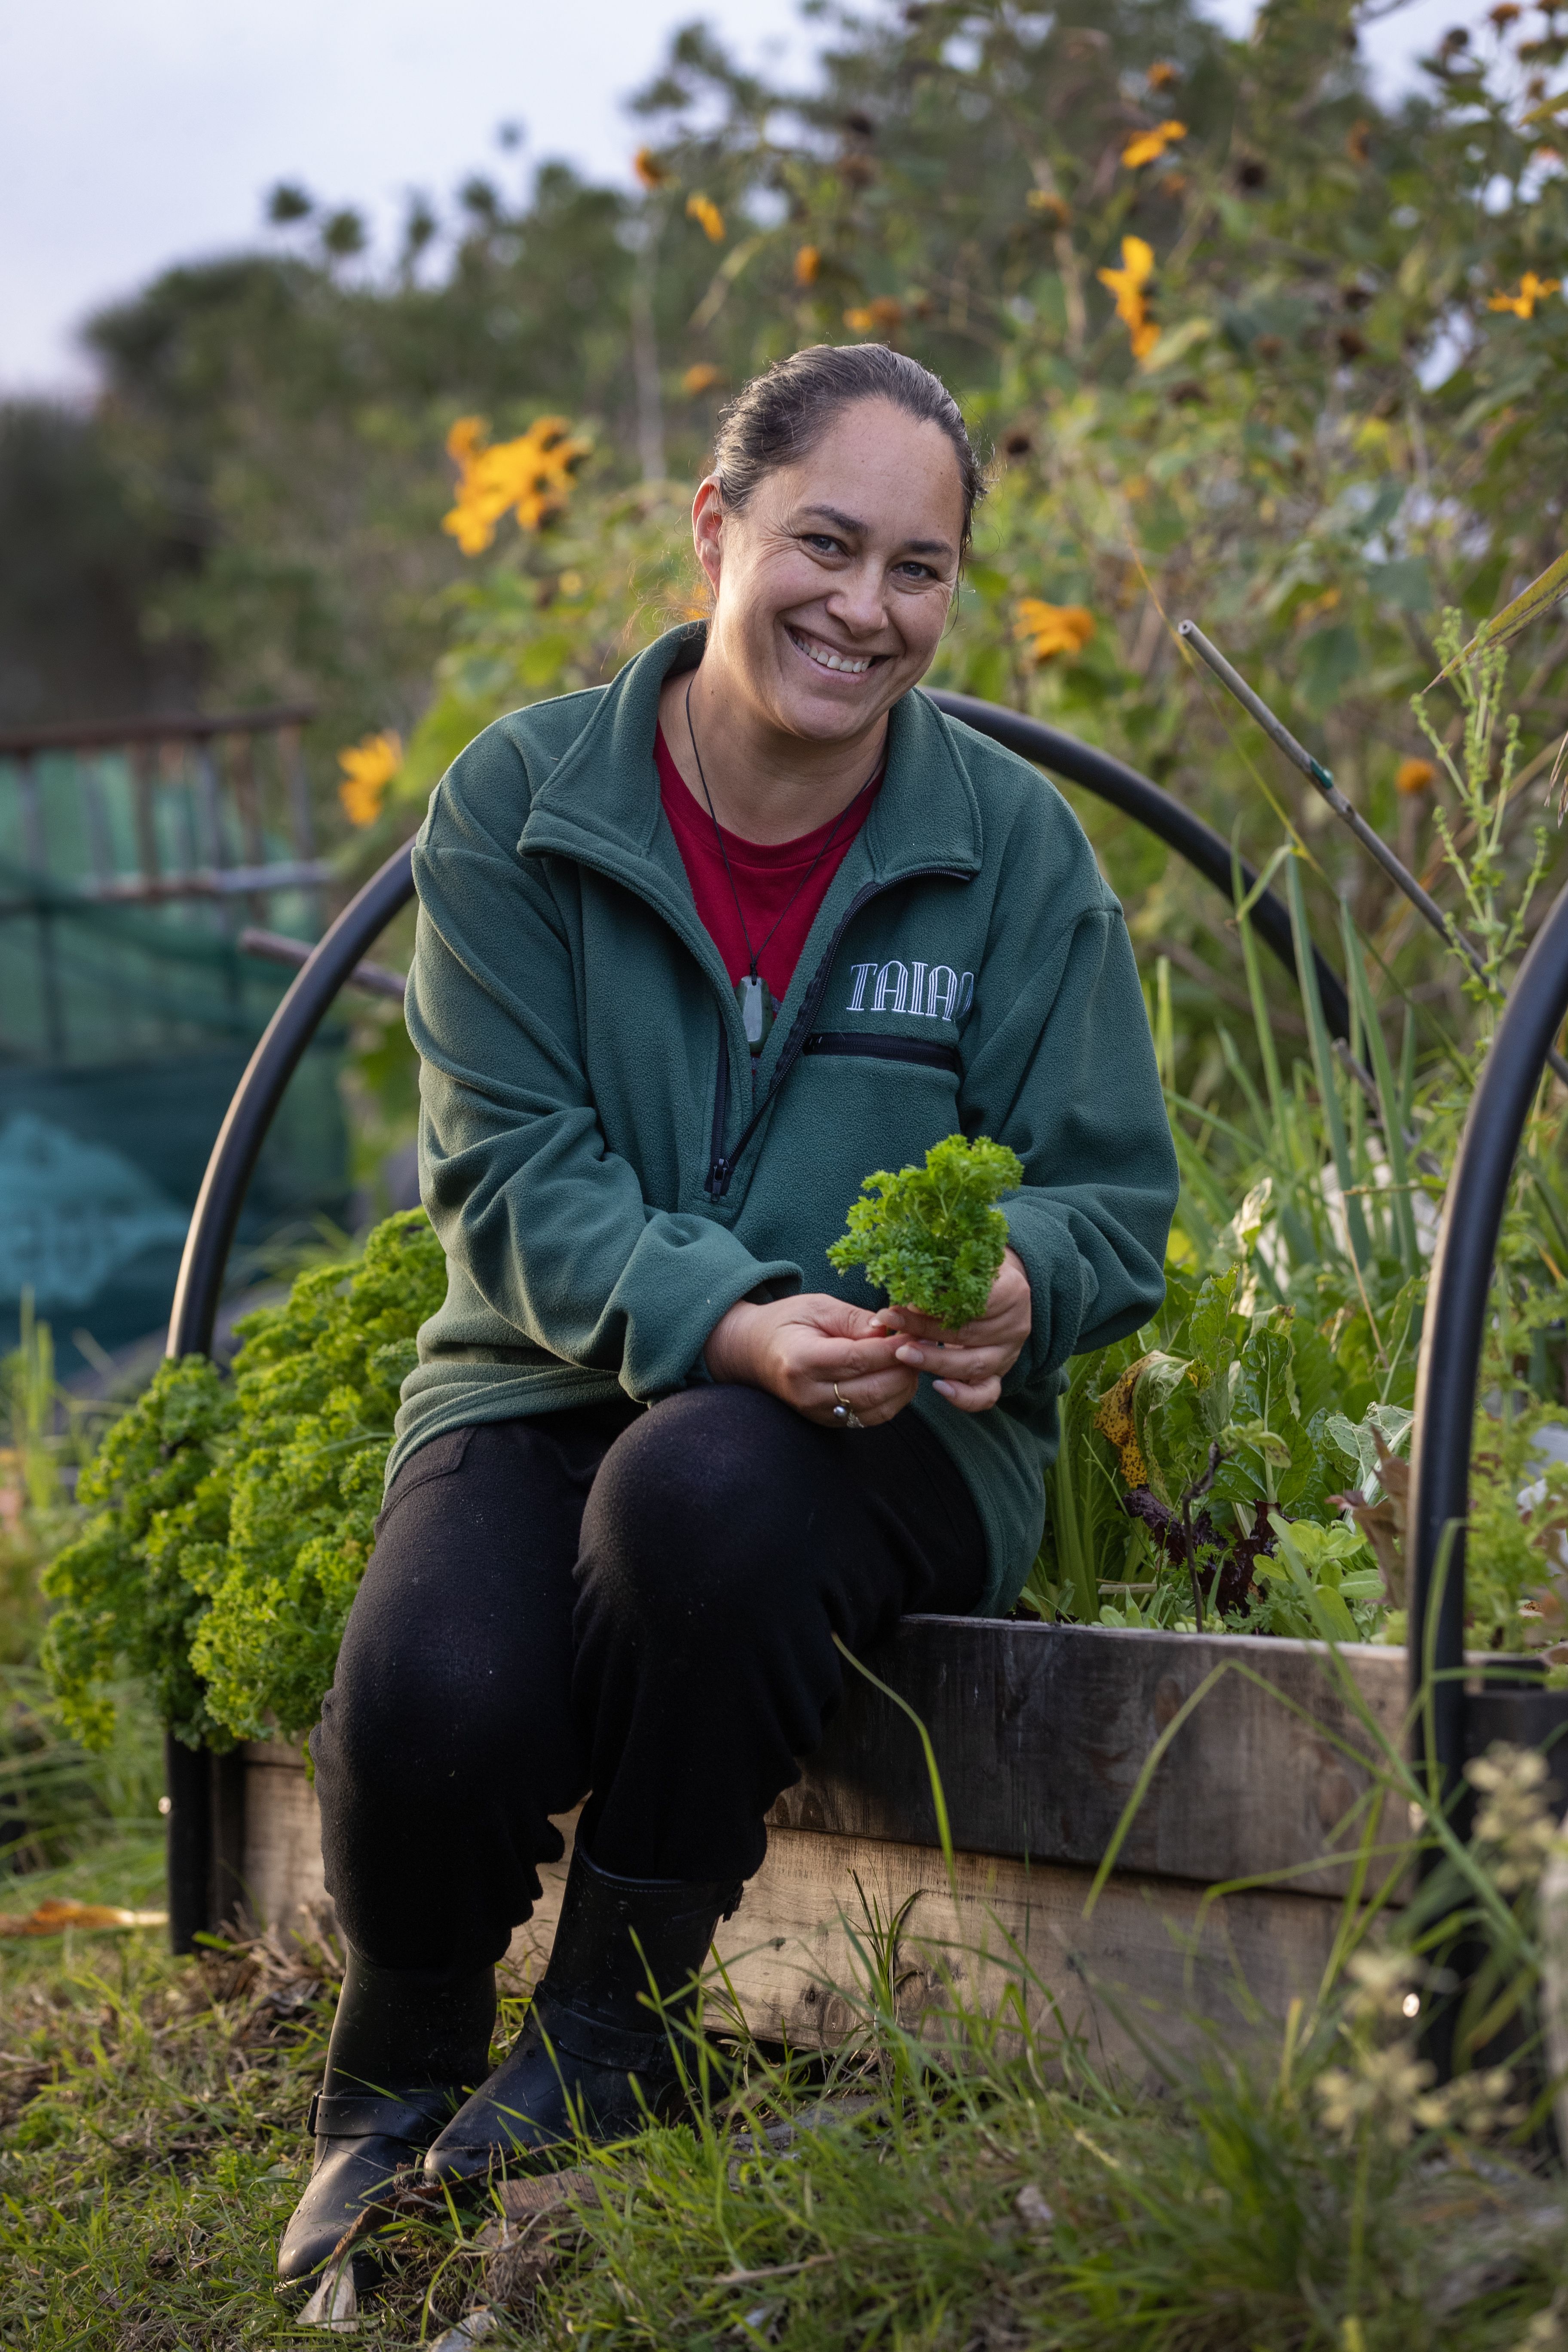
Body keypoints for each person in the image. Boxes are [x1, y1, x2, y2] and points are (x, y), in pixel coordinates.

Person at [279, 341, 1178, 2284]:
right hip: (539, 1380)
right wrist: (736, 1314)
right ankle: (395, 2084)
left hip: (887, 1434)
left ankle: (609, 2029)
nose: (866, 608)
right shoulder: (525, 801)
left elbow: (1115, 1194)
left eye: (919, 569)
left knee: (700, 1497)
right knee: (428, 1693)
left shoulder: (1011, 849)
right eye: (825, 543)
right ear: (718, 526)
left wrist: (1021, 1277)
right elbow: (508, 1178)